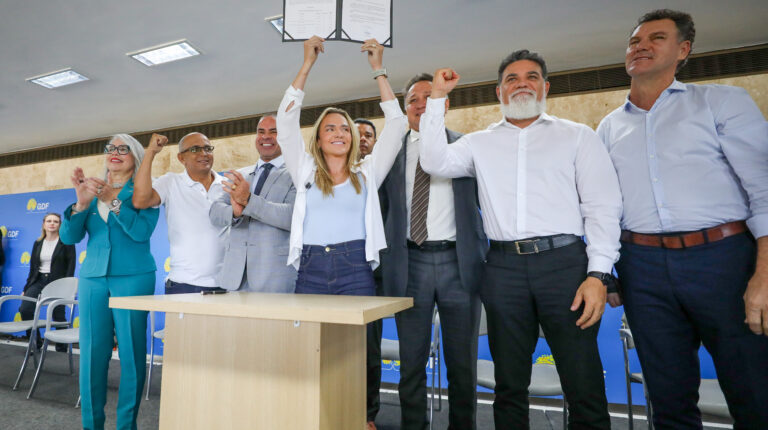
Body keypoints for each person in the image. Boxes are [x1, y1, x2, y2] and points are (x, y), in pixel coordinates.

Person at [419, 51, 623, 429]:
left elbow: (602, 208)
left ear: (545, 87)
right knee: (509, 384)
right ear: (499, 92)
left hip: (565, 266)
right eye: (511, 79)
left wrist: (599, 274)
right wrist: (437, 98)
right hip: (503, 268)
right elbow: (433, 161)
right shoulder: (478, 143)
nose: (522, 84)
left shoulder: (577, 136)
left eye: (531, 76)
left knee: (582, 380)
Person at [597, 9, 768, 428]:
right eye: (634, 41)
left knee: (754, 390)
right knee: (667, 398)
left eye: (656, 38)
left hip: (724, 261)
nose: (641, 46)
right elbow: (602, 207)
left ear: (683, 50)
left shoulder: (721, 102)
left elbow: (764, 191)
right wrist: (606, 272)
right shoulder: (609, 127)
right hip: (642, 268)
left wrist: (764, 276)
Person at [378, 72, 487, 430]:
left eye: (429, 97)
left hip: (459, 264)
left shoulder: (465, 147)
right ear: (405, 108)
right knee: (411, 363)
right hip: (410, 264)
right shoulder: (391, 153)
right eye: (413, 99)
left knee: (462, 363)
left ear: (444, 103)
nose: (421, 104)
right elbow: (380, 211)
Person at [276, 36, 406, 301]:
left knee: (355, 331)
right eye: (330, 128)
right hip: (310, 268)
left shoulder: (367, 172)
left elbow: (396, 125)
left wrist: (378, 70)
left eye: (345, 129)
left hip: (355, 269)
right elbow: (286, 122)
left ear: (352, 138)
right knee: (309, 330)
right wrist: (307, 65)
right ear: (319, 139)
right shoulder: (305, 170)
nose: (339, 133)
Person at [60, 134, 159, 430]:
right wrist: (80, 205)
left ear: (136, 157)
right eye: (110, 148)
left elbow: (140, 232)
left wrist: (111, 201)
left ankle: (127, 425)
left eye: (123, 149)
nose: (115, 152)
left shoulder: (144, 191)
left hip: (134, 277)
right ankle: (92, 425)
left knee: (131, 353)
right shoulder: (91, 189)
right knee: (92, 354)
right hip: (93, 278)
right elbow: (69, 237)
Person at [209, 115, 297, 292]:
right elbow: (215, 212)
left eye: (274, 132)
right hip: (235, 278)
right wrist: (235, 213)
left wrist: (248, 201)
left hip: (274, 277)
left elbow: (292, 216)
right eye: (261, 132)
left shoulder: (297, 175)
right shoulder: (239, 175)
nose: (266, 137)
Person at [132, 132, 227, 294]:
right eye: (195, 149)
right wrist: (151, 152)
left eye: (207, 148)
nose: (204, 153)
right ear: (181, 158)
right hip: (184, 285)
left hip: (226, 285)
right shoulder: (171, 182)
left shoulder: (227, 185)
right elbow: (140, 201)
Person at [20, 212, 76, 352]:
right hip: (38, 280)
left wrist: (67, 288)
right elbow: (32, 268)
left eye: (55, 221)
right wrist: (26, 288)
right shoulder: (38, 243)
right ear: (44, 224)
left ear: (59, 225)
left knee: (58, 315)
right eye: (49, 221)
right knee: (25, 309)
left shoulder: (67, 242)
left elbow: (71, 267)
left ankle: (61, 348)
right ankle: (35, 342)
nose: (52, 223)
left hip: (58, 282)